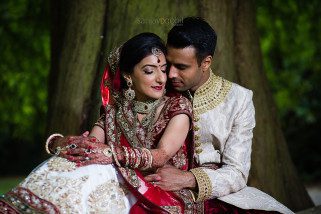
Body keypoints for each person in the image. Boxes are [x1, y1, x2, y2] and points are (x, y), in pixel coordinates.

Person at [0, 33, 196, 213]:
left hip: (160, 189)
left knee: (96, 177)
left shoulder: (177, 106)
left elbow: (161, 156)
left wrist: (110, 154)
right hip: (119, 179)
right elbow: (91, 147)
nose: (160, 78)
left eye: (163, 70)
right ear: (128, 76)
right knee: (75, 164)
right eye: (149, 71)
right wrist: (63, 144)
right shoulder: (117, 111)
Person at [143, 17, 294, 214]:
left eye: (181, 67)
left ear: (205, 63)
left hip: (219, 196)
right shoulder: (155, 88)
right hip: (155, 187)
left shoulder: (239, 99)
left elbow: (237, 173)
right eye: (168, 64)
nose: (170, 74)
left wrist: (188, 179)